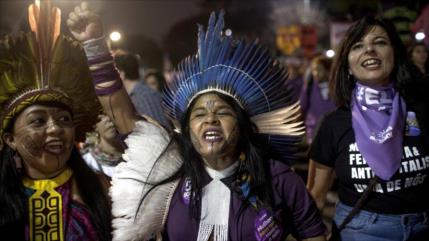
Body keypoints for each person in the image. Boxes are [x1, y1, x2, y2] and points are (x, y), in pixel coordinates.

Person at [67, 3, 326, 241]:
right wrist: (94, 45)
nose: (210, 120)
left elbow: (314, 236)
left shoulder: (278, 178)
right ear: (188, 129)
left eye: (223, 113)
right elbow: (122, 114)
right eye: (199, 115)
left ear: (243, 125)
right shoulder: (172, 170)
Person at [307, 16, 429, 241]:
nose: (370, 49)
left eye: (380, 42)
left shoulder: (421, 110)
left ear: (395, 53)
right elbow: (316, 196)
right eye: (358, 46)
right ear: (348, 66)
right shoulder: (334, 123)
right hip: (361, 231)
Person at [0, 1, 111, 240]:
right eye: (38, 121)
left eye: (64, 119)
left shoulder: (104, 190)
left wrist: (95, 46)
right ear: (10, 139)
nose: (56, 129)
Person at [113, 49, 172, 130]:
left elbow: (159, 132)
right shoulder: (136, 96)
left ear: (121, 74)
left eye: (111, 74)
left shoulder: (144, 96)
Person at [299, 55, 336, 144]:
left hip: (335, 132)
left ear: (328, 70)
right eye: (314, 70)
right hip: (314, 132)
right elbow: (302, 107)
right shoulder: (309, 87)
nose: (316, 73)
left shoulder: (337, 87)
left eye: (319, 69)